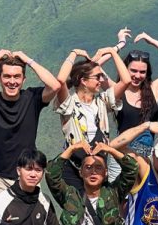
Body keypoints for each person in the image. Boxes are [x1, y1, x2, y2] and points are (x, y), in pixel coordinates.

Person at [0, 49, 61, 212]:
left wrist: (28, 60)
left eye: (17, 76)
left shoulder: (32, 98)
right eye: (7, 76)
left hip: (28, 176)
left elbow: (55, 85)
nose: (12, 81)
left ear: (23, 79)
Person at [45, 141, 138, 225]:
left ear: (105, 173)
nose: (93, 171)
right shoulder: (71, 196)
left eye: (98, 167)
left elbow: (132, 169)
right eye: (88, 167)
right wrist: (71, 149)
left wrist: (110, 150)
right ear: (81, 172)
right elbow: (51, 174)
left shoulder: (113, 193)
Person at [54, 46, 131, 189]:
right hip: (73, 168)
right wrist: (73, 53)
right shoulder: (69, 103)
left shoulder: (102, 101)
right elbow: (60, 80)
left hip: (98, 166)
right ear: (83, 80)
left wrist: (113, 52)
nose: (101, 80)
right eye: (97, 77)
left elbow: (126, 81)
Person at [103, 29, 158, 157]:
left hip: (147, 157)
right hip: (121, 157)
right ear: (125, 69)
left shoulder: (154, 90)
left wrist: (152, 41)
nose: (137, 76)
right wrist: (120, 45)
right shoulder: (116, 90)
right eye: (133, 71)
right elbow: (93, 65)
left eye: (142, 72)